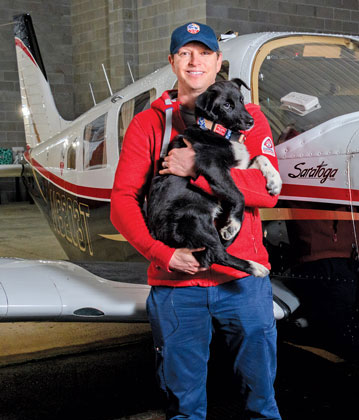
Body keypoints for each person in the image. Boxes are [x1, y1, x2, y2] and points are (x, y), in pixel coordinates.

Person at [110, 22, 281, 419]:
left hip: (243, 284)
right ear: (172, 62)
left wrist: (197, 168)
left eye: (204, 53)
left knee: (262, 403)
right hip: (176, 287)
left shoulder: (249, 119)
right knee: (184, 407)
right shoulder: (148, 123)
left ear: (219, 62)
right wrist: (160, 254)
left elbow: (268, 190)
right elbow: (122, 202)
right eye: (185, 53)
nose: (194, 61)